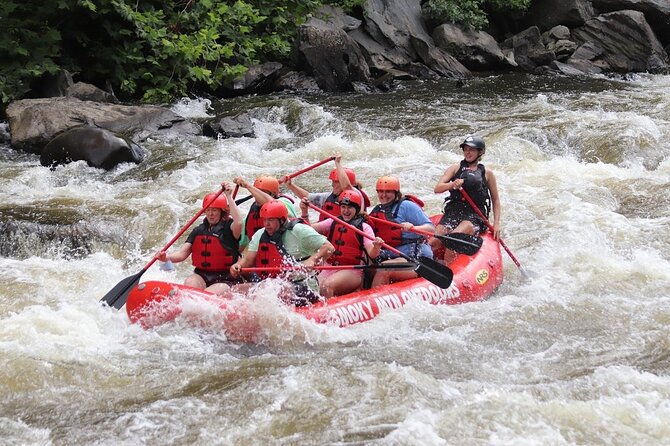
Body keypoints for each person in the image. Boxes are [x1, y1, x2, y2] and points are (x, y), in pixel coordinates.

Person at [229, 200, 335, 305]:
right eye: (264, 220)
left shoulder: (300, 231)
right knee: (235, 290)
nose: (266, 224)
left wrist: (312, 260)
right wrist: (238, 265)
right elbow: (248, 259)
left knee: (277, 291)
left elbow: (329, 247)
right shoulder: (260, 234)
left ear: (281, 219)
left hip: (303, 285)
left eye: (270, 220)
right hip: (271, 285)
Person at [157, 182, 244, 294]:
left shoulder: (229, 229)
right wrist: (166, 258)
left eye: (214, 210)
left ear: (222, 212)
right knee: (190, 282)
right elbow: (182, 254)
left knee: (206, 294)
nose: (211, 214)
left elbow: (239, 222)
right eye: (208, 210)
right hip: (202, 275)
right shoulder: (198, 231)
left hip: (225, 278)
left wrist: (228, 196)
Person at [430, 135, 501, 264]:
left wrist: (496, 224)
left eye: (471, 150)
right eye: (465, 149)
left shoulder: (487, 173)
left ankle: (449, 276)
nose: (467, 152)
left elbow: (495, 200)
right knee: (432, 243)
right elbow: (438, 188)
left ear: (480, 152)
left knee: (453, 240)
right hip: (454, 212)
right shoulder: (455, 168)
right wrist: (452, 184)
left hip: (474, 215)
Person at [302, 190, 384, 298]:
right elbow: (308, 230)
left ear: (357, 209)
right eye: (343, 207)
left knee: (327, 286)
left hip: (352, 271)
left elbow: (372, 253)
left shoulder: (364, 227)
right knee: (311, 285)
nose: (346, 211)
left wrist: (377, 246)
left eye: (349, 207)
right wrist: (304, 211)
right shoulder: (333, 221)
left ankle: (328, 312)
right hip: (330, 267)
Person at [368, 176, 435, 287]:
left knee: (383, 269)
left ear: (396, 192)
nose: (383, 195)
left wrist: (414, 228)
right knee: (368, 270)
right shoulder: (377, 210)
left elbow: (431, 228)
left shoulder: (407, 206)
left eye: (388, 191)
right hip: (391, 256)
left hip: (416, 260)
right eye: (380, 191)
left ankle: (374, 300)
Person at [282, 153, 370, 221]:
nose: (332, 185)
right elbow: (307, 197)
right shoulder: (328, 197)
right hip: (330, 232)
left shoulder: (356, 195)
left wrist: (337, 163)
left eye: (336, 182)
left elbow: (346, 187)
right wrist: (290, 185)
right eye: (332, 181)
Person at [233, 175, 296, 250]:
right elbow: (243, 242)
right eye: (255, 191)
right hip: (260, 250)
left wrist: (248, 186)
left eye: (261, 192)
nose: (256, 195)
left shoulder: (284, 202)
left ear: (272, 194)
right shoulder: (254, 209)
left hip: (283, 248)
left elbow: (275, 205)